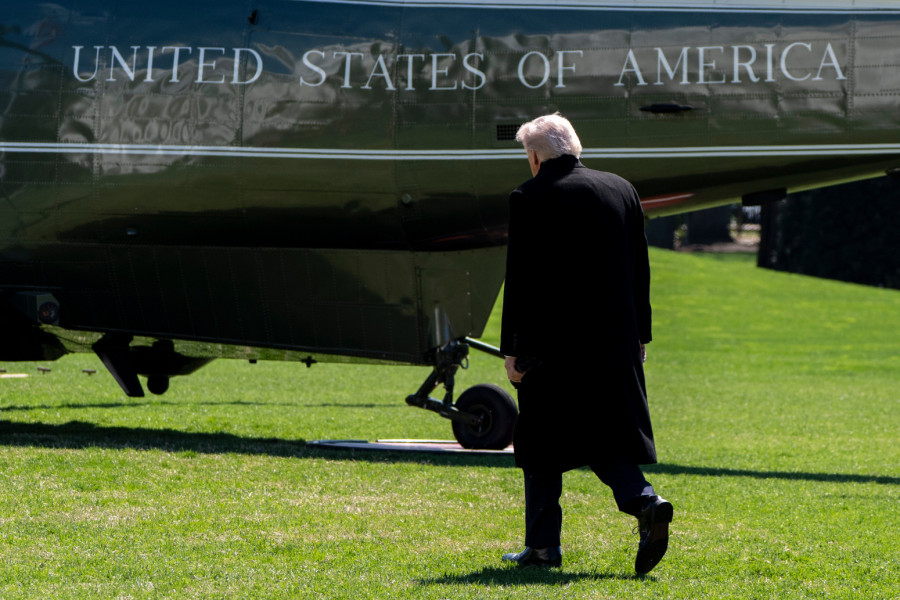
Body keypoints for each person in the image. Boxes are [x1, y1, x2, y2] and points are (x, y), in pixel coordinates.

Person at [499, 113, 672, 575]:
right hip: (614, 343)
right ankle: (644, 502)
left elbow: (520, 281)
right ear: (575, 145)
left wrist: (512, 349)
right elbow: (640, 271)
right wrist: (640, 337)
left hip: (552, 346)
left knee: (537, 442)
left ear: (535, 156)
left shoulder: (528, 195)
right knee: (599, 435)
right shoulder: (622, 190)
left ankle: (542, 548)